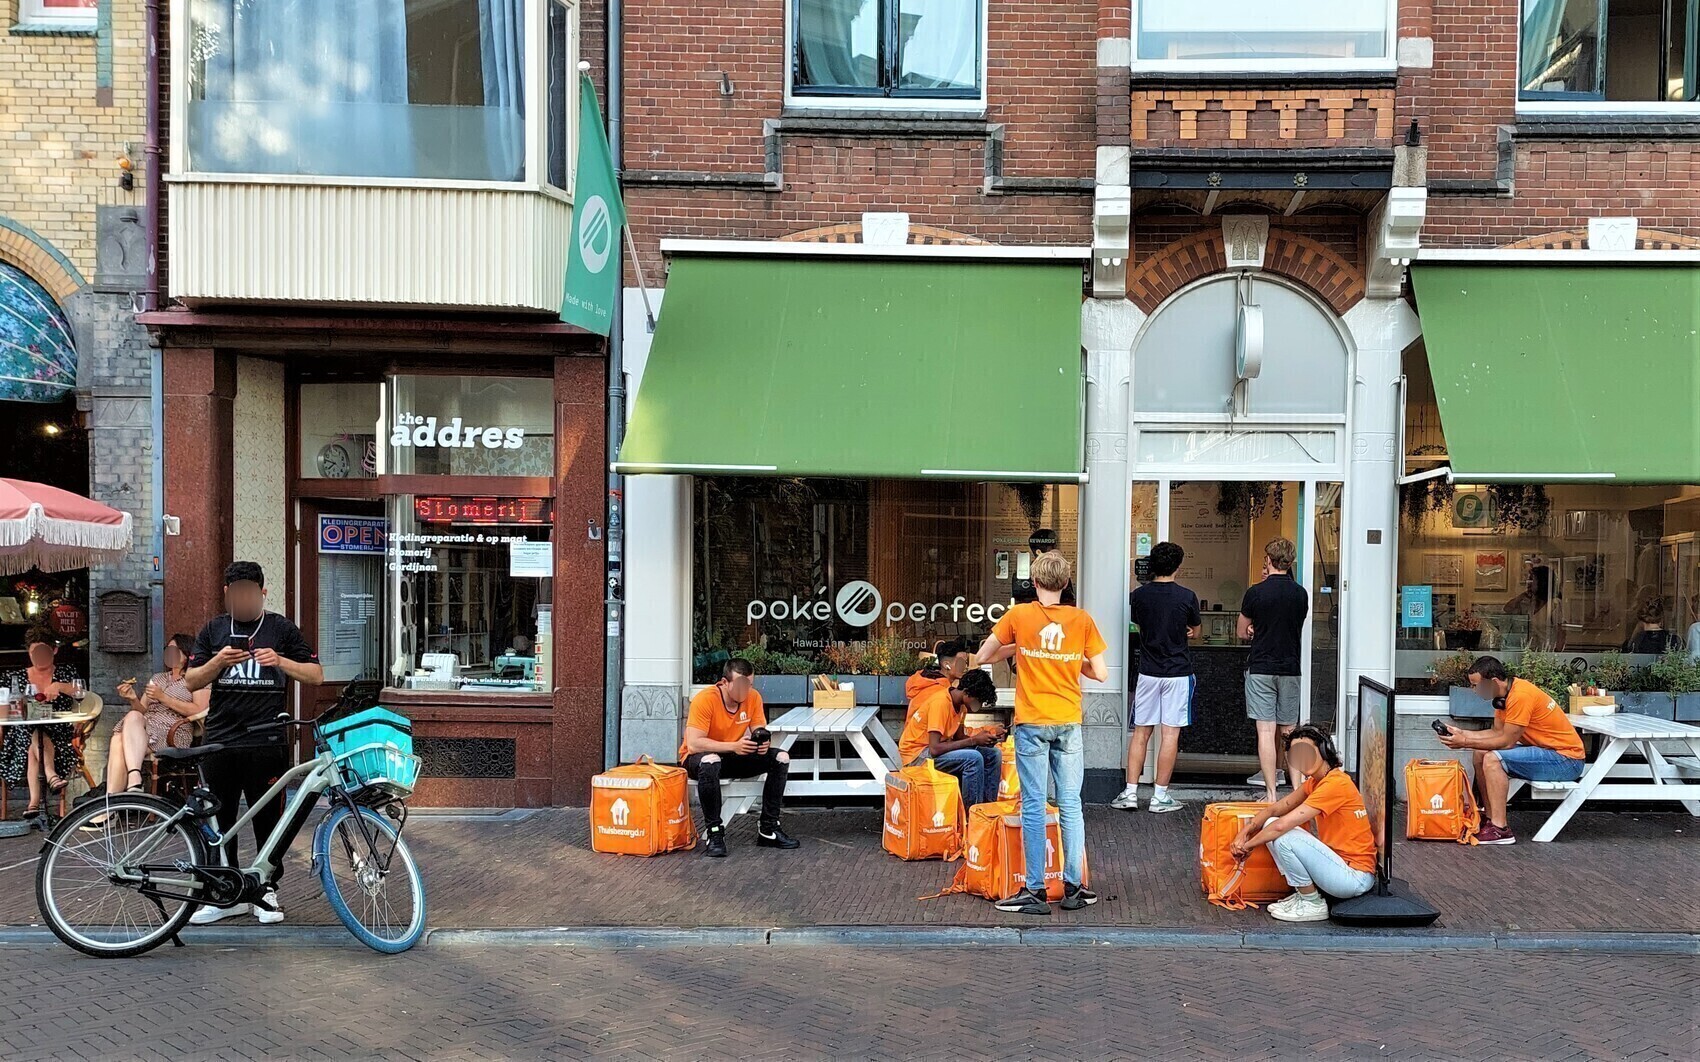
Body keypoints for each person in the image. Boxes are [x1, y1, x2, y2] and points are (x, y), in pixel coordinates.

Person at [185, 562, 322, 924]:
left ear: (262, 592)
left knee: (268, 821)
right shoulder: (213, 629)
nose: (242, 599)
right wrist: (217, 661)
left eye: (250, 592)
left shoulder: (281, 629)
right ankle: (225, 893)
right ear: (227, 594)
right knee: (219, 820)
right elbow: (191, 682)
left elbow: (316, 675)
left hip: (266, 741)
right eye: (236, 593)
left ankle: (264, 891)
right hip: (220, 741)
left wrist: (279, 660)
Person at [976, 550, 1106, 916]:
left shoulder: (1019, 614)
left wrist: (1024, 648)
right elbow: (1100, 673)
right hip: (1068, 721)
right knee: (1071, 804)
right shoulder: (1082, 620)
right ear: (1066, 585)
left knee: (1033, 804)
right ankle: (1073, 888)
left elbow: (984, 655)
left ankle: (1033, 890)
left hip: (1032, 721)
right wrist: (1067, 657)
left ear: (1033, 584)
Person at [1229, 725, 1377, 922]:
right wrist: (1246, 831)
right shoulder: (1315, 782)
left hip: (1354, 877)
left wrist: (1247, 846)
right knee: (1272, 823)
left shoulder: (1336, 784)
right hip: (1339, 866)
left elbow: (1282, 826)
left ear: (1324, 751)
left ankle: (1311, 902)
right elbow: (1274, 809)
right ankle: (1303, 894)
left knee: (1284, 836)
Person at [1436, 655, 1585, 845]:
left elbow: (1506, 742)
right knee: (1480, 753)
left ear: (1494, 682)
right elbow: (1497, 732)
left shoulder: (1521, 696)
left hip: (1566, 760)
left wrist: (1464, 741)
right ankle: (1489, 818)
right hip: (1547, 752)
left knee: (1493, 759)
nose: (1474, 691)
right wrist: (1461, 733)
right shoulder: (1504, 695)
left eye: (1476, 685)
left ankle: (1500, 829)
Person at [680, 658, 798, 858]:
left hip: (734, 755)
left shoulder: (753, 698)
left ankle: (768, 828)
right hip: (698, 758)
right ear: (724, 683)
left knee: (781, 758)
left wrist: (762, 742)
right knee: (710, 761)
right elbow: (694, 743)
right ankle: (715, 832)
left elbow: (758, 728)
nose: (746, 691)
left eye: (750, 685)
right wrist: (733, 746)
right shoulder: (705, 699)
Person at [1113, 541, 1199, 814]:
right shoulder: (1187, 596)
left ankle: (1130, 792)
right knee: (1170, 734)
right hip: (1177, 672)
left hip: (1148, 672)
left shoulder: (1139, 596)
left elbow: (1139, 623)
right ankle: (1160, 796)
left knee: (1141, 732)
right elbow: (1195, 630)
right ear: (1178, 566)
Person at [85, 635, 207, 815]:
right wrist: (132, 698)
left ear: (187, 653)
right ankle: (131, 784)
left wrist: (163, 698)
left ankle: (109, 809)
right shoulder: (158, 678)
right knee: (132, 718)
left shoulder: (195, 679)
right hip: (145, 725)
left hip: (174, 730)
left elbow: (199, 709)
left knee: (119, 740)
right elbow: (141, 711)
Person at [1238, 538, 1309, 803]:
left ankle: (1270, 794)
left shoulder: (1255, 593)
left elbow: (1241, 631)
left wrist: (1255, 629)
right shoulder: (1300, 594)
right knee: (1290, 732)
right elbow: (1292, 626)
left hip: (1261, 667)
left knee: (1265, 732)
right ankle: (1297, 793)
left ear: (1268, 560)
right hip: (1290, 668)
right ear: (1290, 563)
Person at [0, 627, 83, 821]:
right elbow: (4, 708)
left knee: (34, 741)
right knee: (32, 734)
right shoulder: (15, 678)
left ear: (53, 651)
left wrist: (60, 686)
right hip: (20, 737)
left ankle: (34, 803)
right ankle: (51, 775)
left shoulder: (65, 672)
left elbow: (82, 694)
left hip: (60, 737)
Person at [898, 666, 1004, 807]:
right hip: (917, 756)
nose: (978, 705)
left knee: (993, 754)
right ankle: (971, 815)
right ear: (966, 693)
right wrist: (974, 740)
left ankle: (987, 809)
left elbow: (959, 738)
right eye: (978, 700)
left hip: (933, 751)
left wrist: (983, 739)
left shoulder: (961, 706)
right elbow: (934, 748)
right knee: (973, 758)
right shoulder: (941, 703)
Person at [1010, 529, 1076, 606]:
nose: (1056, 549)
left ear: (1035, 582)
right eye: (1053, 546)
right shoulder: (1060, 571)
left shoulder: (1021, 573)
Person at [1505, 565, 1563, 651]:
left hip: (1546, 652)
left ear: (1542, 582)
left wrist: (1557, 653)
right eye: (1529, 580)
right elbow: (1507, 609)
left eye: (1532, 580)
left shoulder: (1554, 604)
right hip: (1528, 652)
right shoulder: (1529, 602)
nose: (1529, 582)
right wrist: (1520, 597)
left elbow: (1560, 632)